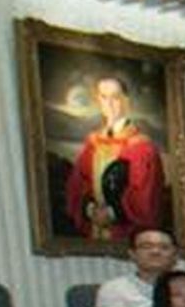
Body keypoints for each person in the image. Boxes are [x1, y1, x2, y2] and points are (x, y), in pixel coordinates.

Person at [62, 74, 167, 243]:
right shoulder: (93, 144)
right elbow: (77, 185)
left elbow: (146, 198)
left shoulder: (142, 148)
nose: (109, 103)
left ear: (126, 101)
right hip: (94, 234)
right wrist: (90, 210)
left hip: (125, 235)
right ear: (98, 102)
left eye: (115, 97)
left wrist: (111, 213)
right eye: (104, 97)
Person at [94, 226, 179, 307]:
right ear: (132, 253)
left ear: (174, 255)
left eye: (164, 247)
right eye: (146, 246)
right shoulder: (114, 288)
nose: (156, 252)